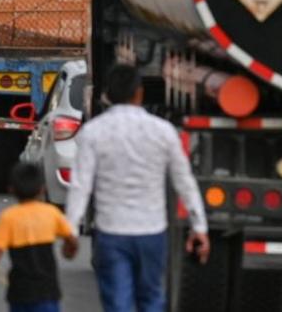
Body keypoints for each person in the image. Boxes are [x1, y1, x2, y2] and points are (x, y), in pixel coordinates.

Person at [66, 64, 210, 312]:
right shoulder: (162, 131)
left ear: (107, 94)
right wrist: (199, 227)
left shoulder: (93, 132)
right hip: (152, 233)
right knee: (152, 299)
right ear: (139, 93)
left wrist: (70, 229)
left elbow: (81, 185)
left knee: (118, 304)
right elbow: (184, 181)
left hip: (111, 233)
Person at [0, 162, 79, 312]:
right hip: (47, 291)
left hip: (20, 292)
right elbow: (71, 239)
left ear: (12, 189)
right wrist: (70, 250)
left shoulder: (8, 217)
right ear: (42, 189)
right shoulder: (51, 213)